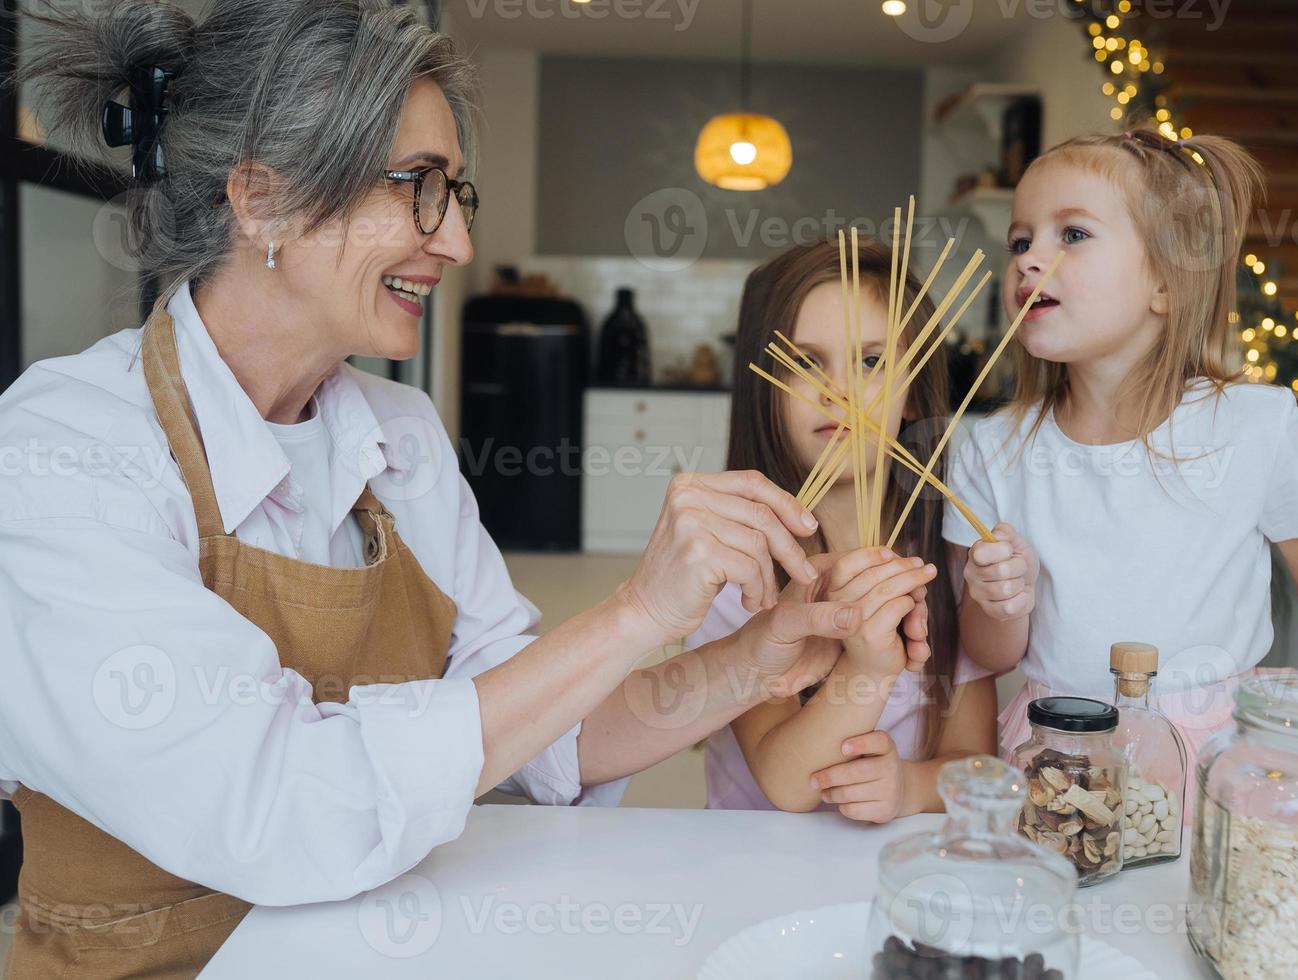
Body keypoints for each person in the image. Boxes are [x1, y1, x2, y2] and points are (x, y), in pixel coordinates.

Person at [0, 3, 921, 976]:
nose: (456, 245)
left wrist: (757, 653)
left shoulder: (399, 438)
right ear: (260, 198)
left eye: (455, 192)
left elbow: (545, 734)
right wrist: (634, 608)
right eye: (417, 188)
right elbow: (281, 806)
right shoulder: (65, 450)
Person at [945, 128, 1298, 775]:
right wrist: (998, 602)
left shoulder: (1255, 425)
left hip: (1220, 758)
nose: (1029, 261)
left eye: (1073, 235)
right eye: (1020, 241)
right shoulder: (987, 446)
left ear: (1166, 285)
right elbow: (987, 652)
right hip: (1056, 753)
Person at [688, 240, 999, 822]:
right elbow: (787, 784)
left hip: (895, 883)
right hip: (752, 875)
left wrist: (910, 787)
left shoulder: (949, 561)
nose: (841, 393)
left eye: (873, 362)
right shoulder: (735, 568)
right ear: (765, 390)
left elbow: (979, 763)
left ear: (913, 393)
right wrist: (866, 668)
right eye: (804, 362)